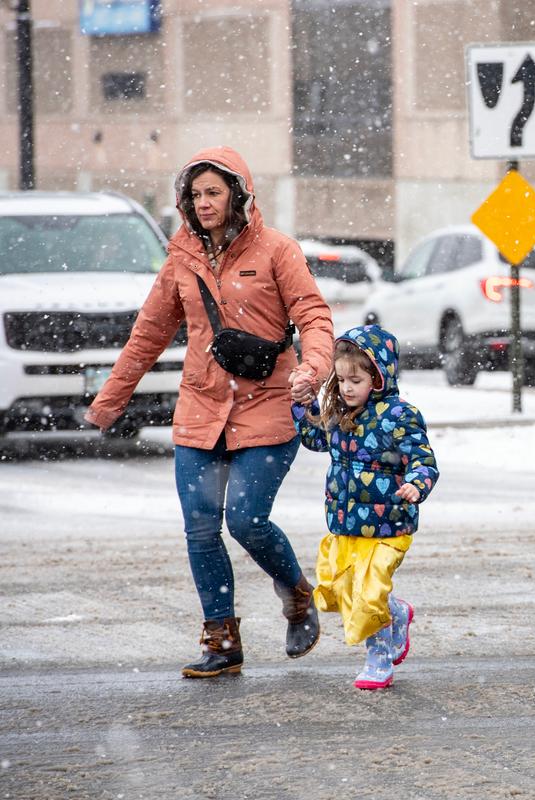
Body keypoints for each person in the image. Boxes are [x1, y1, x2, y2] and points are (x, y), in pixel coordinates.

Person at [85, 146, 334, 678]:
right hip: (201, 408)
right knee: (200, 528)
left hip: (270, 403)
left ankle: (295, 591)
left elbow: (313, 315)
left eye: (213, 192)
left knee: (246, 520)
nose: (203, 202)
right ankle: (221, 642)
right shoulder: (181, 259)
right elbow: (148, 334)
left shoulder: (277, 250)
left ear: (238, 194)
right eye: (195, 194)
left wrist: (312, 369)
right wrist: (110, 399)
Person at [291, 326, 438, 689]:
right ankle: (397, 612)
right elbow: (313, 438)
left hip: (389, 525)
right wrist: (302, 405)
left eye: (355, 380)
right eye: (341, 380)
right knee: (339, 591)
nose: (346, 388)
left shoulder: (399, 416)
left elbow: (424, 460)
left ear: (378, 376)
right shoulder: (339, 415)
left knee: (368, 596)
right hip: (346, 523)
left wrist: (416, 485)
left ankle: (378, 658)